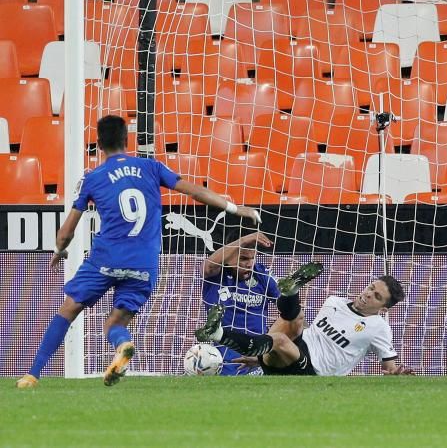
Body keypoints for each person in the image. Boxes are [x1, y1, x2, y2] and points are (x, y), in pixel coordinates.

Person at [16, 115, 261, 389]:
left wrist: (60, 249)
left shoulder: (93, 178)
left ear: (97, 144)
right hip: (144, 265)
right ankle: (122, 344)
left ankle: (32, 374)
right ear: (127, 140)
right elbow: (194, 191)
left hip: (105, 259)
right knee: (114, 324)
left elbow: (67, 231)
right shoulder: (151, 167)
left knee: (69, 310)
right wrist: (235, 209)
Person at [196, 262, 414, 377]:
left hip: (313, 370)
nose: (368, 294)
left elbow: (389, 367)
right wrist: (263, 356)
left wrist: (396, 374)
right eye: (371, 287)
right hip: (298, 351)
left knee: (280, 340)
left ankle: (218, 333)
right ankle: (291, 291)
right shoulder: (334, 301)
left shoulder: (378, 327)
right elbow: (310, 335)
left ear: (383, 309)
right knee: (296, 318)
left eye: (376, 296)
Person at [202, 230, 280, 375]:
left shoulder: (261, 274)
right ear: (229, 256)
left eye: (253, 258)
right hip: (224, 363)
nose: (249, 264)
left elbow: (289, 310)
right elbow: (209, 266)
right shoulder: (215, 275)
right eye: (243, 258)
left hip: (258, 363)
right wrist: (244, 240)